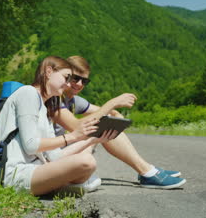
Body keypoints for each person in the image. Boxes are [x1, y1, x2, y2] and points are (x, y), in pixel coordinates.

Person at [53, 56, 186, 189]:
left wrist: (115, 114)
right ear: (66, 76)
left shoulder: (74, 100)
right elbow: (76, 127)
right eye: (76, 78)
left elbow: (103, 112)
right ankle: (147, 172)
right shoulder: (54, 98)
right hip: (52, 157)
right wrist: (113, 103)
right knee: (99, 127)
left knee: (107, 125)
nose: (80, 84)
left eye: (85, 81)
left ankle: (147, 170)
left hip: (62, 151)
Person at [0, 56, 118, 196]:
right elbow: (31, 145)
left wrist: (93, 140)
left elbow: (55, 156)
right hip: (16, 173)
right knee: (86, 162)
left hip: (36, 169)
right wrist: (72, 136)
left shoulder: (43, 107)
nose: (67, 84)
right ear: (48, 72)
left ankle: (64, 186)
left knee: (87, 162)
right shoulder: (27, 93)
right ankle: (67, 187)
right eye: (66, 77)